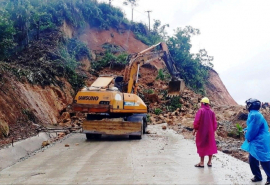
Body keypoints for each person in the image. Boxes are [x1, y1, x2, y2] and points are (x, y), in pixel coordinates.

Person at [241, 98, 270, 185]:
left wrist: (248, 136)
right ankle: (257, 176)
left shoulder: (255, 115)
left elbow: (253, 130)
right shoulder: (254, 114)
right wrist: (246, 130)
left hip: (259, 141)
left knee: (264, 160)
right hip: (257, 141)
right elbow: (251, 126)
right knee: (252, 159)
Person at [193, 97, 218, 168]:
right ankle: (209, 162)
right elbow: (214, 123)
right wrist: (213, 131)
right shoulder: (212, 112)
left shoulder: (201, 110)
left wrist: (195, 129)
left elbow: (197, 121)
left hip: (202, 131)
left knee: (201, 145)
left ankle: (201, 162)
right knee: (210, 145)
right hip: (210, 132)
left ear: (202, 103)